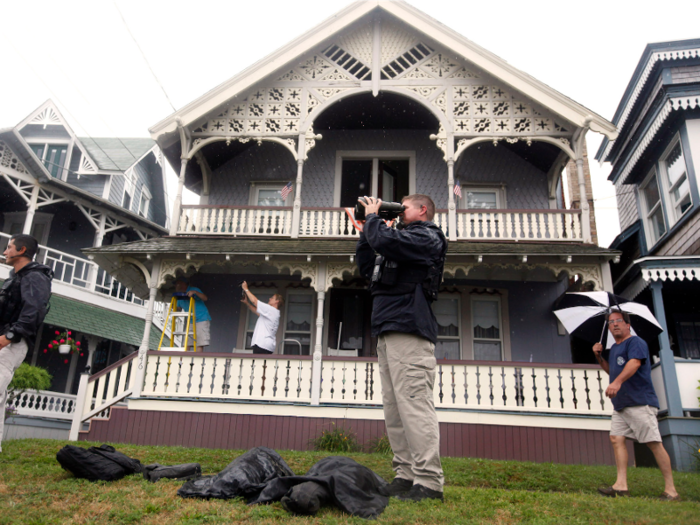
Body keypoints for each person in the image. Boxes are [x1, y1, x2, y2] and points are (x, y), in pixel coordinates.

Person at [355, 194, 447, 502]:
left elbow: (391, 243)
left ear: (422, 210)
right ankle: (406, 475)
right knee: (394, 410)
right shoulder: (395, 239)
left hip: (410, 327)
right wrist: (367, 231)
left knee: (413, 405)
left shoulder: (428, 235)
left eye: (403, 206)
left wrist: (374, 221)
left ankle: (429, 482)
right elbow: (368, 269)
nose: (397, 210)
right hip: (387, 328)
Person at [593, 310, 679, 500]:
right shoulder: (614, 348)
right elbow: (612, 372)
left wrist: (617, 383)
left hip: (640, 401)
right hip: (621, 403)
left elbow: (634, 363)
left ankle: (671, 490)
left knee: (653, 443)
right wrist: (599, 357)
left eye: (618, 321)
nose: (614, 324)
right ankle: (621, 486)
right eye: (611, 322)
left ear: (627, 324)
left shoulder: (636, 342)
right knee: (616, 439)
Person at [0, 234, 53, 452]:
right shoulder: (14, 277)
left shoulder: (35, 277)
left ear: (22, 251)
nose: (5, 252)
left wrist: (9, 337)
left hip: (11, 343)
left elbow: (34, 312)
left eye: (9, 247)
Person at [240, 282, 283, 354]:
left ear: (277, 301)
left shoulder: (271, 310)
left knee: (257, 364)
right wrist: (247, 303)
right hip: (266, 345)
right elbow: (257, 312)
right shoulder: (274, 313)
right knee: (262, 365)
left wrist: (246, 289)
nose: (269, 298)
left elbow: (255, 301)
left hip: (262, 345)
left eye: (272, 298)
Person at [174, 277, 211, 352]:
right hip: (190, 321)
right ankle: (183, 362)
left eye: (178, 283)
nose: (176, 286)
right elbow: (179, 308)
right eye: (176, 284)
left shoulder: (193, 289)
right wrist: (173, 307)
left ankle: (197, 362)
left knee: (200, 343)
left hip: (201, 318)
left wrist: (195, 292)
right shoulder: (179, 296)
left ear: (184, 284)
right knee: (187, 343)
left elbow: (205, 298)